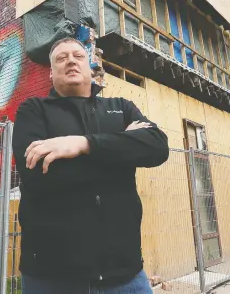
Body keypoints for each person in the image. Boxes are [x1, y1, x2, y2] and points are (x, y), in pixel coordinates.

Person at [12, 37, 170, 293]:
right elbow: (40, 175)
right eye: (61, 58)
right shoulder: (33, 110)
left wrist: (83, 145)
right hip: (51, 277)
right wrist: (123, 148)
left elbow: (158, 147)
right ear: (51, 73)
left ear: (90, 66)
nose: (71, 60)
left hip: (126, 274)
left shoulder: (121, 107)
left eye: (78, 55)